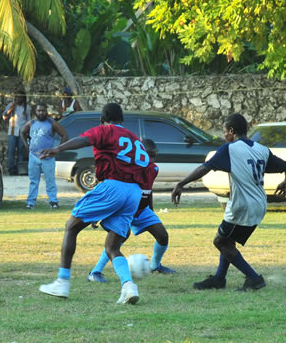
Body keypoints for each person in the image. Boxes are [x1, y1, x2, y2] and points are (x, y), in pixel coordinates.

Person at [37, 102, 156, 304]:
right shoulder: (135, 139)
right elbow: (147, 169)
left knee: (72, 227)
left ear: (102, 120)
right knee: (112, 246)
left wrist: (59, 148)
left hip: (114, 185)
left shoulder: (106, 130)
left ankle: (62, 282)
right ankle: (128, 286)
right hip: (134, 192)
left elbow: (84, 140)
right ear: (122, 120)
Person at [171, 113, 286, 291]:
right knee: (229, 239)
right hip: (259, 204)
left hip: (242, 205)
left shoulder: (230, 149)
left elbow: (205, 167)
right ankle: (219, 279)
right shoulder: (261, 150)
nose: (224, 136)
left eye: (224, 132)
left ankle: (254, 278)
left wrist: (181, 184)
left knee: (220, 241)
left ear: (231, 131)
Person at [87, 139, 175, 282]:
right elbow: (108, 189)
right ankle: (95, 272)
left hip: (142, 209)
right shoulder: (125, 169)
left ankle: (154, 266)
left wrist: (150, 209)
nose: (151, 160)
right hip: (124, 210)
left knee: (163, 236)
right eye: (149, 156)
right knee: (118, 240)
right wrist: (97, 213)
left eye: (154, 156)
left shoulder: (153, 169)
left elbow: (148, 190)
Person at [21, 103, 68, 209]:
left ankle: (53, 202)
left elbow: (65, 135)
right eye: (39, 111)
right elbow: (22, 133)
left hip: (48, 157)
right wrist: (26, 145)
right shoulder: (31, 123)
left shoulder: (52, 123)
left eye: (43, 110)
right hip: (33, 156)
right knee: (33, 181)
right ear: (35, 112)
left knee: (50, 181)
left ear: (46, 111)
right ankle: (30, 203)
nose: (41, 113)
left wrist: (57, 150)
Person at [2, 90, 29, 175]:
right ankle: (11, 169)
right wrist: (10, 109)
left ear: (23, 98)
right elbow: (4, 117)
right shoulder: (11, 105)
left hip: (22, 132)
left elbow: (29, 121)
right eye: (17, 97)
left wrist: (28, 132)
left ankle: (20, 168)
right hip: (12, 131)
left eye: (20, 97)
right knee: (11, 150)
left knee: (21, 150)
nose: (18, 99)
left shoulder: (27, 107)